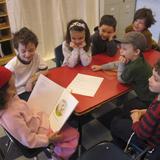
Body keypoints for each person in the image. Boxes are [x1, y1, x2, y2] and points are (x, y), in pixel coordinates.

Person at [0, 66, 79, 160]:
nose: (15, 91)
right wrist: (49, 140)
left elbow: (22, 110)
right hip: (40, 132)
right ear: (4, 93)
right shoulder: (10, 117)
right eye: (12, 88)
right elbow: (29, 140)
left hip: (37, 119)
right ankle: (58, 157)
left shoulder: (9, 99)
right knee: (74, 134)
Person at [91, 32, 156, 117]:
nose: (120, 51)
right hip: (151, 95)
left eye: (124, 49)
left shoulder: (134, 67)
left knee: (126, 108)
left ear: (136, 51)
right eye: (121, 47)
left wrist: (122, 65)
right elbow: (118, 63)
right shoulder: (137, 58)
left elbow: (121, 79)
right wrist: (101, 67)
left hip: (147, 100)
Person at [110, 59, 160, 160]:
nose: (149, 79)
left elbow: (141, 133)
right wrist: (144, 111)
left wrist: (136, 120)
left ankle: (122, 150)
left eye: (155, 78)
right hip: (154, 134)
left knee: (115, 123)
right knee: (129, 110)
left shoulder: (157, 109)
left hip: (149, 143)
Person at [5, 27, 48, 101]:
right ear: (17, 50)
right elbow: (5, 86)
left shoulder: (36, 56)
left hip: (33, 86)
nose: (27, 54)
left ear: (35, 47)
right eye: (23, 51)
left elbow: (45, 70)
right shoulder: (12, 65)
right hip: (19, 92)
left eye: (31, 50)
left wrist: (31, 80)